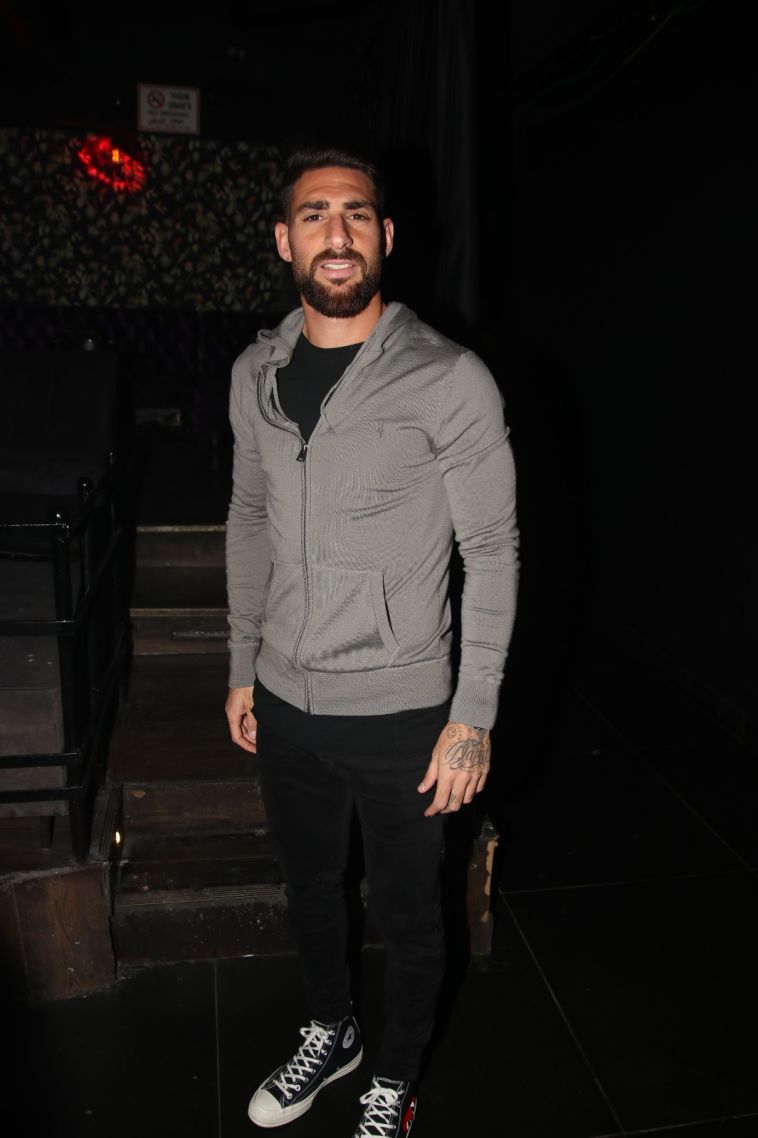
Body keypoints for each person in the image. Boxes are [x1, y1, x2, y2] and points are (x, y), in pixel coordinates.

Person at [224, 145, 519, 1137]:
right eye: (314, 214)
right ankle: (331, 1030)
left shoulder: (449, 377)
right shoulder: (254, 374)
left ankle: (393, 1078)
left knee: (408, 913)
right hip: (284, 702)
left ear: (385, 236)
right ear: (284, 240)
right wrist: (242, 662)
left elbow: (493, 549)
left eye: (355, 213)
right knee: (310, 889)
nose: (336, 232)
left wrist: (471, 716)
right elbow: (249, 519)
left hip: (402, 714)